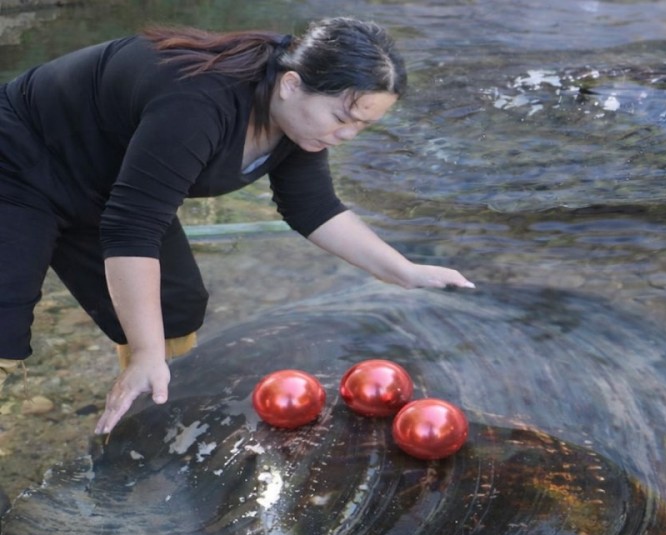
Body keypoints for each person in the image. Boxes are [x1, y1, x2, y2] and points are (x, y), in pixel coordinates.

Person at [0, 17, 472, 434]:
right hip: (18, 158)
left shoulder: (297, 124)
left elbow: (313, 209)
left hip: (106, 177)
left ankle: (155, 416)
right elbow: (132, 230)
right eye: (341, 118)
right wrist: (145, 352)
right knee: (5, 315)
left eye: (362, 127)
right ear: (291, 84)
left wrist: (404, 270)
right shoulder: (198, 102)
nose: (345, 136)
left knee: (175, 306)